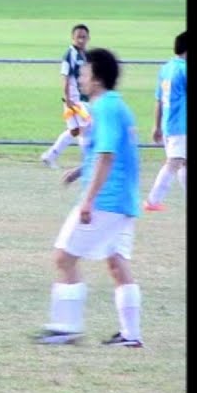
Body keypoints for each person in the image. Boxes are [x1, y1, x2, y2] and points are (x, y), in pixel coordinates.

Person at [37, 48, 144, 348]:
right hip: (124, 202)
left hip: (107, 200)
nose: (80, 78)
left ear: (96, 78)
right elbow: (110, 153)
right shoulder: (116, 105)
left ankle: (66, 327)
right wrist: (80, 170)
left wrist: (88, 200)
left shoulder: (105, 108)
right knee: (117, 263)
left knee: (64, 256)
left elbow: (108, 156)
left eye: (83, 73)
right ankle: (131, 336)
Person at [144, 31, 187, 212]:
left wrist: (156, 125)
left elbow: (159, 99)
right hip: (180, 123)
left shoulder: (166, 68)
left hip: (168, 123)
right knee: (175, 162)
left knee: (183, 163)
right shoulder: (184, 69)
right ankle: (153, 200)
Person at [40, 24, 92, 169]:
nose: (81, 40)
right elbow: (65, 77)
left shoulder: (85, 55)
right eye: (78, 37)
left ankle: (50, 156)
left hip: (82, 99)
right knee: (84, 128)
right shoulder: (70, 55)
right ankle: (88, 162)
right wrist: (67, 98)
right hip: (75, 100)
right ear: (72, 38)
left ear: (88, 38)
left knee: (75, 130)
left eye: (84, 37)